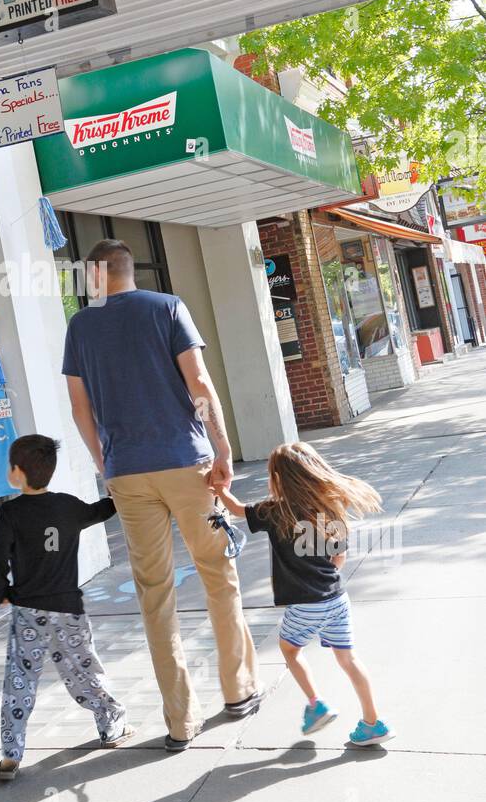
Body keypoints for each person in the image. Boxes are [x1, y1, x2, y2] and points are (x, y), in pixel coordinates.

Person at [63, 239, 262, 753]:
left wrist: (102, 461)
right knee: (219, 575)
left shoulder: (80, 327)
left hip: (128, 473)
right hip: (186, 463)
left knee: (155, 594)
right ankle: (238, 692)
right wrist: (221, 445)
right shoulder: (168, 307)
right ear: (130, 270)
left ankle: (180, 721)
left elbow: (79, 409)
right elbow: (198, 381)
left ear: (97, 276)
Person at [215, 441, 394, 746]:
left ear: (278, 477)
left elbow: (235, 509)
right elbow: (339, 559)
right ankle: (373, 723)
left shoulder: (274, 511)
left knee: (289, 650)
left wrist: (219, 489)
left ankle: (316, 705)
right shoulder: (329, 508)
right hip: (337, 598)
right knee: (349, 659)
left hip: (306, 604)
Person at [0, 434, 133, 781]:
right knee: (84, 670)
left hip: (28, 611)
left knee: (20, 680)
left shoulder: (9, 513)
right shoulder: (68, 506)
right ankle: (111, 723)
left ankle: (11, 754)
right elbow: (101, 510)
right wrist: (119, 489)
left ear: (18, 473)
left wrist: (2, 591)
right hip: (68, 608)